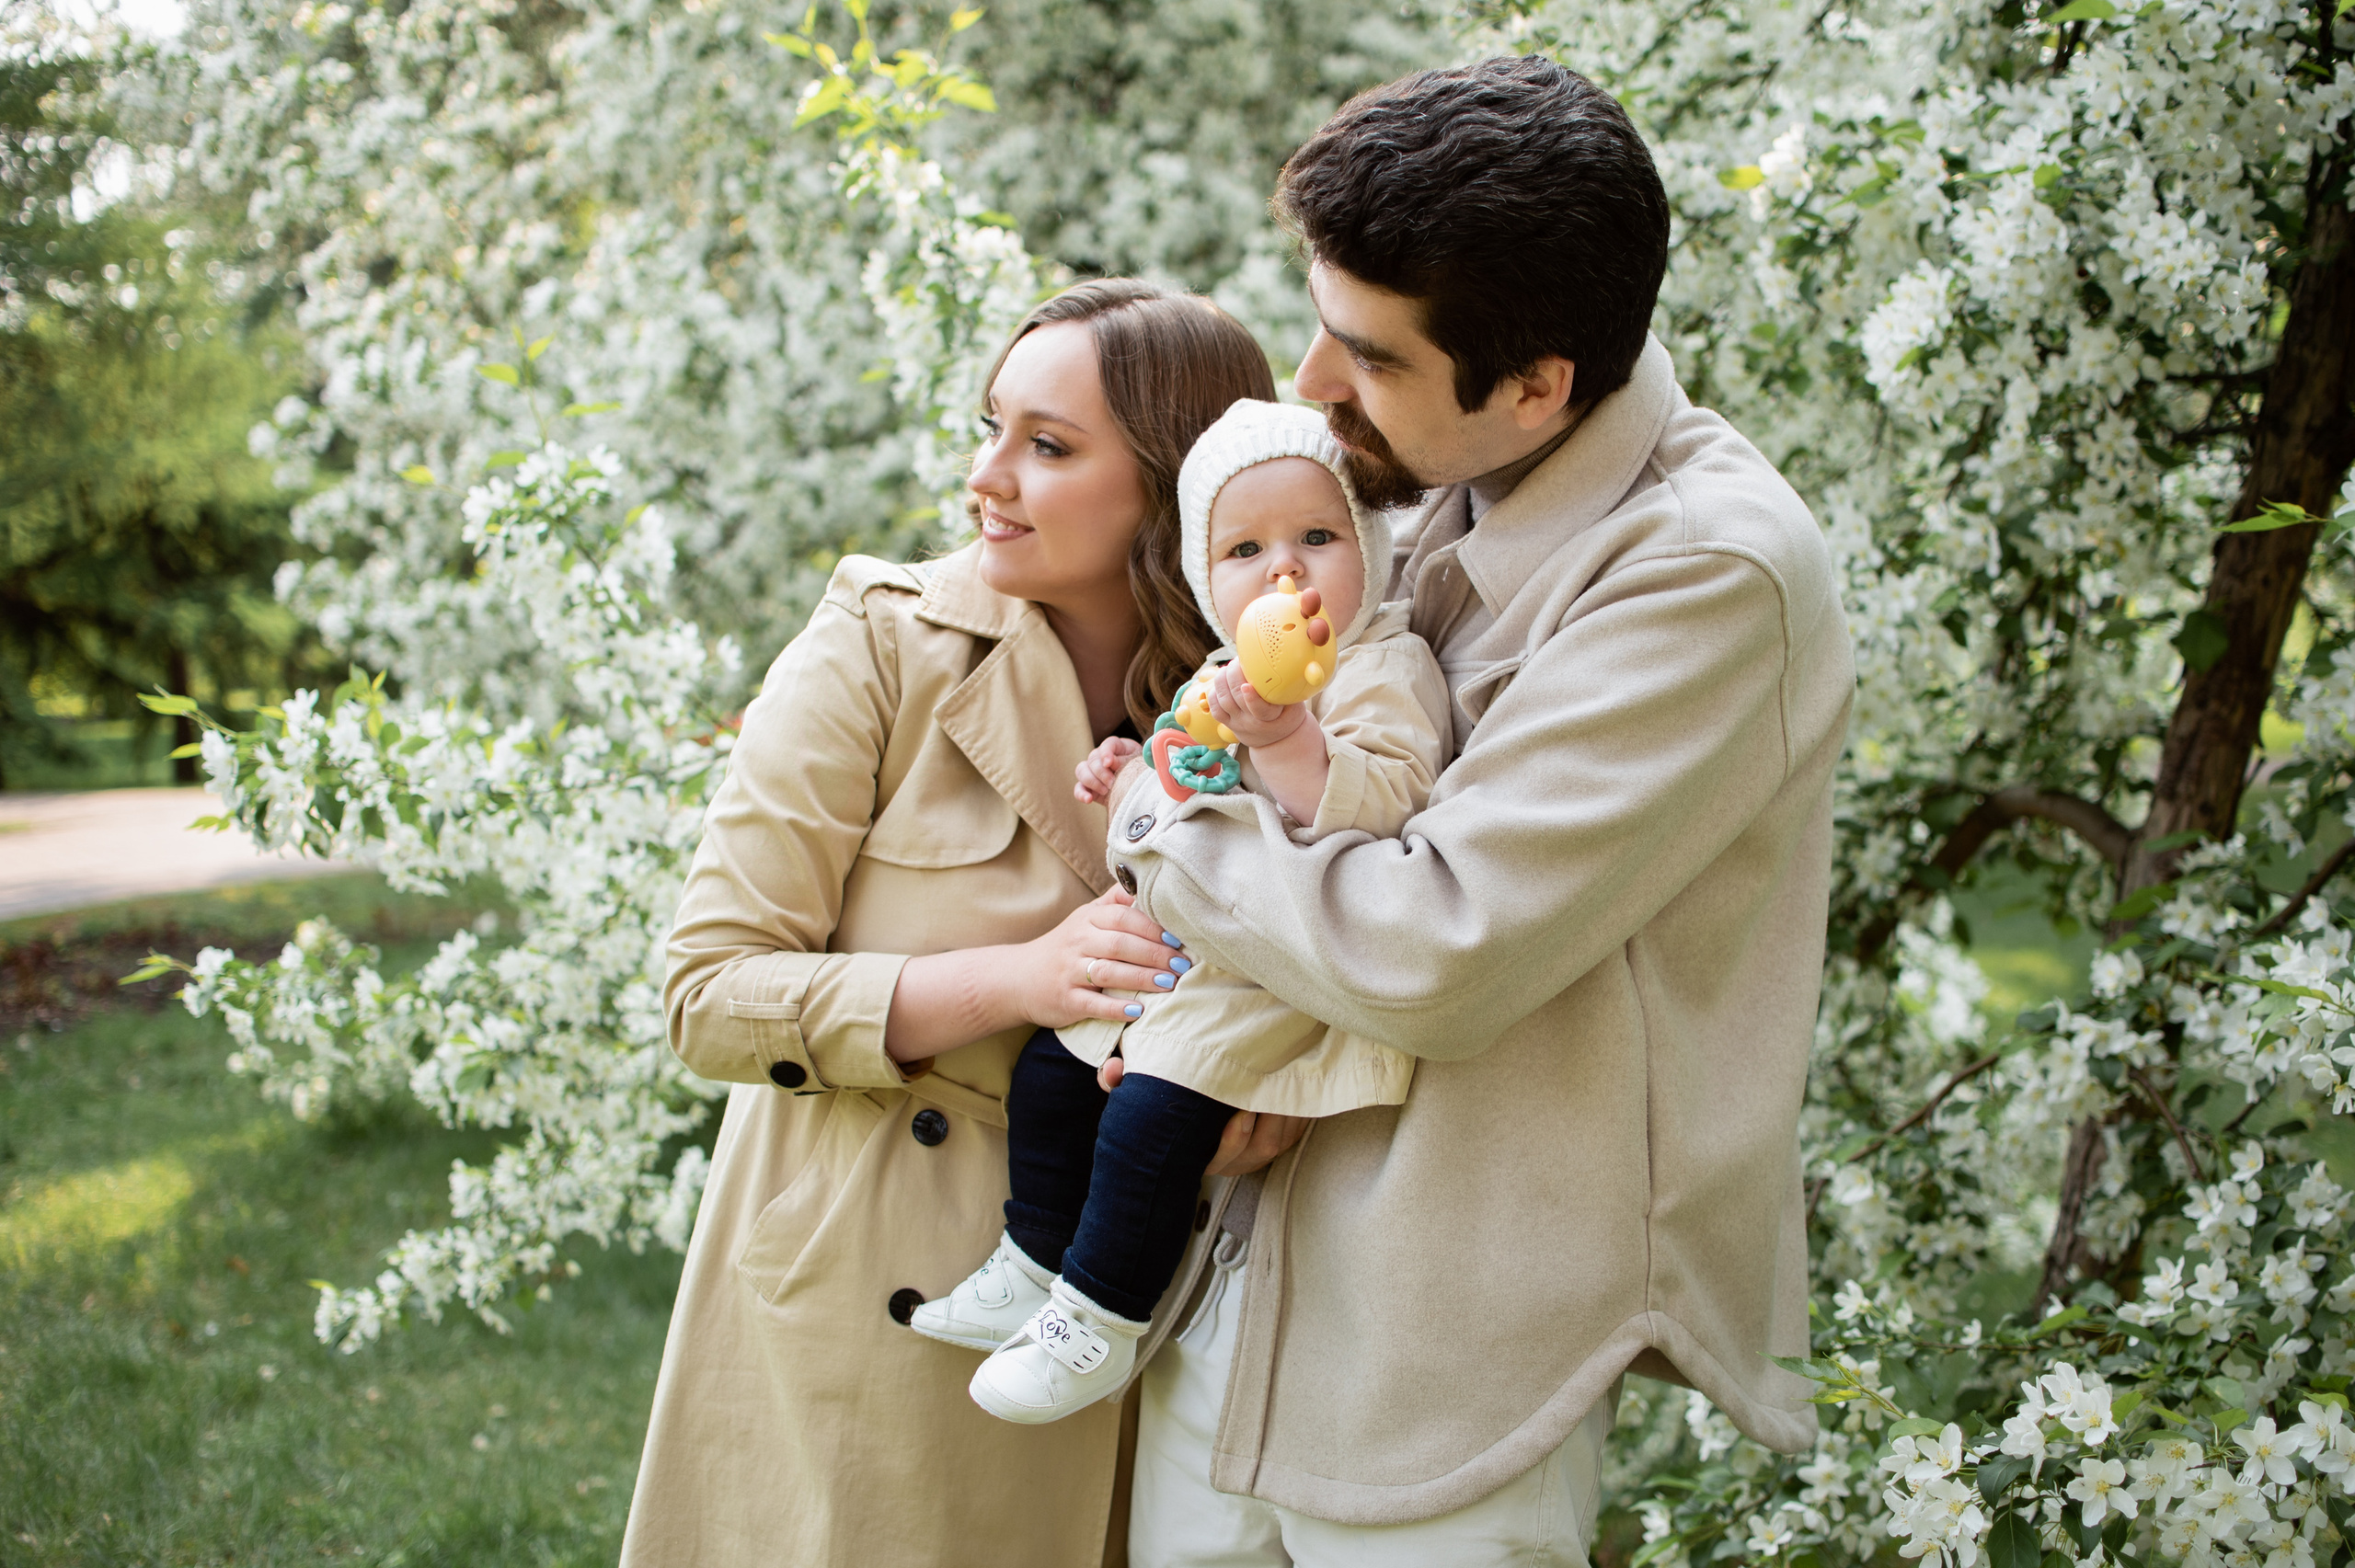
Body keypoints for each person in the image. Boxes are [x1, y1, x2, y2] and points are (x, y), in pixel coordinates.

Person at [1104, 57, 1857, 1567]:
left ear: (1534, 387)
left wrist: (1161, 817)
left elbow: (1435, 947)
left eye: (1368, 356)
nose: (1312, 385)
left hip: (1451, 1345)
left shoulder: (1709, 573)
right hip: (1240, 1274)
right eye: (1320, 322)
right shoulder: (1416, 473)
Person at [618, 279, 1287, 1568]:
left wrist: (1240, 1103)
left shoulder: (1265, 700)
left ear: (1171, 485)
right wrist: (1018, 981)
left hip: (1128, 1303)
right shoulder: (882, 642)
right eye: (993, 427)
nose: (989, 478)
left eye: (1047, 446)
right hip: (872, 1296)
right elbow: (707, 993)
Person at [909, 399, 1448, 1425]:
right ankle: (1033, 1255)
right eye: (1246, 550)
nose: (1284, 573)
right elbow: (1187, 775)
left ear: (1369, 550)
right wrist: (1133, 773)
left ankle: (1100, 1319)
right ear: (1208, 579)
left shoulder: (1383, 665)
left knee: (1155, 1111)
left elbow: (1380, 800)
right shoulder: (1223, 674)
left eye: (1317, 538)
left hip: (1273, 976)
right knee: (1056, 1069)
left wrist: (1289, 741)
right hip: (1191, 947)